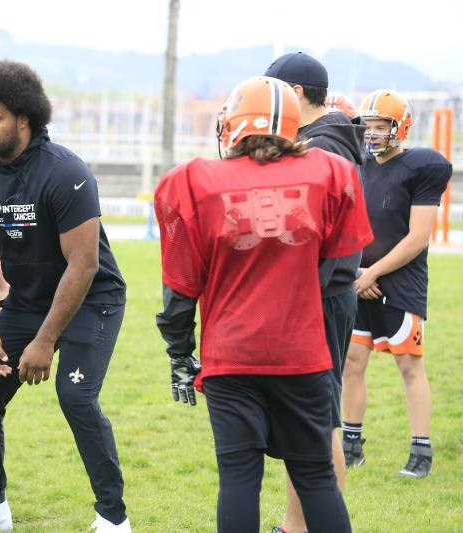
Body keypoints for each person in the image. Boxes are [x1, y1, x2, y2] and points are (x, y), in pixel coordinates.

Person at [155, 76, 372, 533]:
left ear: (231, 126)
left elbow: (179, 291)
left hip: (231, 354)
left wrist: (179, 351)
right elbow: (338, 267)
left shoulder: (195, 182)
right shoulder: (331, 173)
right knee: (315, 477)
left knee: (238, 477)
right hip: (301, 353)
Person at [0, 60, 130, 532]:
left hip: (91, 297)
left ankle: (114, 520)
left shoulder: (66, 173)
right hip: (27, 301)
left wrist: (44, 342)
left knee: (76, 397)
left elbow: (83, 266)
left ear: (24, 118)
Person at [264, 52, 366, 533]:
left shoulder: (325, 147)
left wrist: (296, 296)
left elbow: (321, 238)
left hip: (321, 295)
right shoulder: (322, 140)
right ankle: (295, 525)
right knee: (306, 419)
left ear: (297, 93)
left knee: (318, 420)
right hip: (323, 293)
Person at [341, 89, 452, 478]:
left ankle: (420, 450)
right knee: (352, 363)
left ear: (399, 127)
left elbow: (417, 238)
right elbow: (346, 226)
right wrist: (357, 272)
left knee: (409, 366)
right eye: (367, 126)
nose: (371, 133)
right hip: (359, 281)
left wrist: (374, 273)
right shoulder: (357, 166)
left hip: (400, 283)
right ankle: (351, 444)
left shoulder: (420, 167)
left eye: (379, 125)